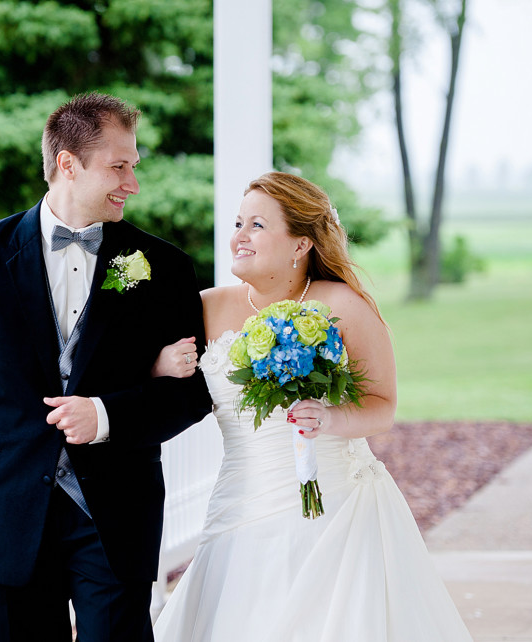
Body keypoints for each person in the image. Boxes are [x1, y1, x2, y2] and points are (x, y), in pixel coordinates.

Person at [0, 92, 213, 642]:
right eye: (119, 167)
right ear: (67, 163)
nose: (132, 184)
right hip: (7, 513)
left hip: (116, 517)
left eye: (133, 167)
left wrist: (107, 415)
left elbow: (192, 395)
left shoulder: (163, 266)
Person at [152, 172, 473, 641]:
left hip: (334, 505)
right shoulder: (207, 307)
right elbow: (144, 381)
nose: (238, 237)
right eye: (238, 223)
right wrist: (160, 364)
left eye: (257, 226)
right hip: (240, 503)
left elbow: (383, 406)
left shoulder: (342, 304)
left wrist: (332, 418)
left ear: (301, 243)